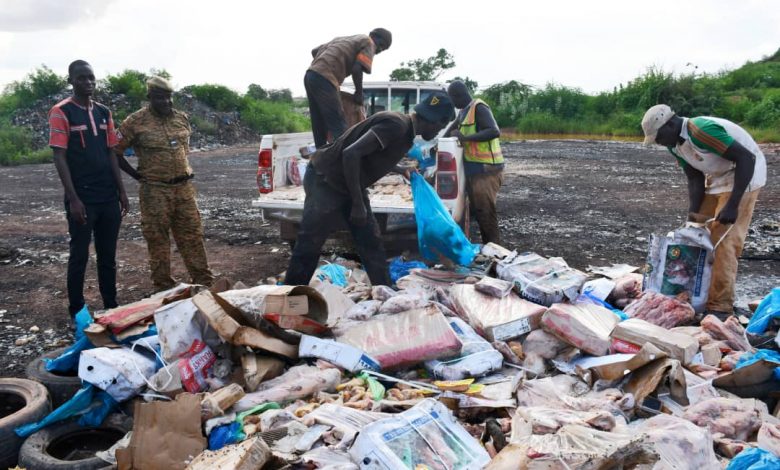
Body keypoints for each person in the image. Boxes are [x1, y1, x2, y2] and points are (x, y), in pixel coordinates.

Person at [285, 91, 455, 286]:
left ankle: (384, 291)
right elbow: (351, 153)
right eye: (441, 126)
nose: (438, 132)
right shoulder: (396, 125)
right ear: (435, 121)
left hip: (349, 182)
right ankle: (291, 298)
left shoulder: (405, 130)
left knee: (370, 240)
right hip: (326, 179)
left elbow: (372, 154)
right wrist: (357, 203)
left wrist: (400, 169)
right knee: (310, 242)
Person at [641, 104, 767, 318]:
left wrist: (733, 204)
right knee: (695, 231)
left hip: (744, 174)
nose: (659, 143)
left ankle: (720, 307)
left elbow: (747, 158)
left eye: (659, 137)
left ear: (670, 124)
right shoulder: (675, 145)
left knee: (723, 241)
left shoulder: (701, 131)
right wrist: (693, 215)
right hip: (718, 176)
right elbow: (694, 178)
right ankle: (695, 292)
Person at [115, 76, 214, 292]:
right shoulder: (134, 122)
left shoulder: (181, 118)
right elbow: (115, 153)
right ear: (149, 97)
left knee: (193, 236)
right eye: (160, 98)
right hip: (155, 190)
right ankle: (163, 289)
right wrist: (137, 175)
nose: (166, 103)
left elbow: (183, 150)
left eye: (169, 98)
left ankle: (206, 285)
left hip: (184, 188)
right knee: (157, 240)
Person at [49, 60, 128, 317]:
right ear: (71, 80)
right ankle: (77, 311)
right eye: (82, 78)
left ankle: (111, 306)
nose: (88, 83)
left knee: (108, 256)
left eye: (91, 78)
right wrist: (73, 199)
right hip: (82, 197)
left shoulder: (104, 112)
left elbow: (111, 154)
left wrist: (122, 192)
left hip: (107, 196)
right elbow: (59, 157)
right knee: (79, 256)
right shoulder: (62, 112)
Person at [306, 28, 392, 148]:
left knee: (318, 122)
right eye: (381, 45)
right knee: (338, 123)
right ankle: (343, 158)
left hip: (311, 75)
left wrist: (327, 61)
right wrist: (358, 93)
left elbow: (314, 51)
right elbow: (357, 69)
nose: (379, 50)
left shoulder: (342, 39)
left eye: (383, 50)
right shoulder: (369, 42)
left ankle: (319, 157)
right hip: (326, 77)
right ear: (373, 36)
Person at [444, 80, 504, 244]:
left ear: (459, 96)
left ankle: (494, 252)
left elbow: (494, 131)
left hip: (486, 170)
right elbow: (450, 129)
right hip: (474, 170)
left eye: (452, 99)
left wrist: (465, 139)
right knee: (478, 211)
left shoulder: (478, 107)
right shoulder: (464, 111)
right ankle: (487, 248)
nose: (452, 103)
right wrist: (436, 146)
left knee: (486, 213)